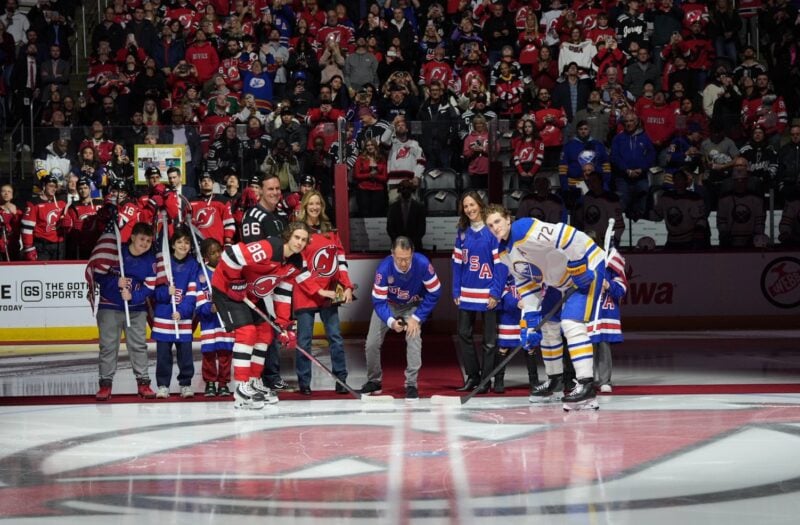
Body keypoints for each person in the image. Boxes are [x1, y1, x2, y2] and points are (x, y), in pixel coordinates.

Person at [485, 204, 604, 411]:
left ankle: (586, 385)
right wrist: (530, 322)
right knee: (546, 325)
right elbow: (527, 285)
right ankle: (555, 380)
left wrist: (579, 264)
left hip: (588, 265)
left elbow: (570, 235)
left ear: (507, 219)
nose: (495, 227)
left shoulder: (524, 229)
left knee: (571, 323)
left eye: (497, 221)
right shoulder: (504, 253)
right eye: (490, 225)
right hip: (560, 283)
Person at [210, 222, 311, 409]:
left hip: (251, 295)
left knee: (265, 332)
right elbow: (231, 255)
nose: (299, 242)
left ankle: (254, 381)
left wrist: (283, 323)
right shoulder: (270, 247)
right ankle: (241, 386)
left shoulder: (296, 263)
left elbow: (282, 292)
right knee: (247, 332)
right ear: (288, 236)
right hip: (226, 289)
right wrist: (234, 281)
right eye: (297, 237)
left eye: (303, 240)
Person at [361, 236, 441, 400]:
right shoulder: (384, 269)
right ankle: (374, 381)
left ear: (412, 254)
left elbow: (435, 292)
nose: (403, 264)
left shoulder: (423, 264)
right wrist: (391, 321)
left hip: (412, 305)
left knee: (414, 336)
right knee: (371, 343)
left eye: (407, 259)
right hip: (387, 305)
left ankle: (411, 384)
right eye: (399, 259)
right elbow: (378, 300)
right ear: (392, 254)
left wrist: (417, 317)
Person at [293, 190, 354, 395]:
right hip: (306, 293)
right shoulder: (299, 231)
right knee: (304, 341)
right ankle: (304, 382)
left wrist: (347, 286)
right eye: (311, 203)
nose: (315, 207)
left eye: (318, 203)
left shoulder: (331, 230)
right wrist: (318, 291)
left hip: (330, 292)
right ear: (304, 206)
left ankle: (341, 379)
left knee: (335, 337)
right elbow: (298, 270)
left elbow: (340, 262)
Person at [89, 222, 159, 401]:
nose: (145, 243)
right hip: (109, 307)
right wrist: (115, 284)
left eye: (149, 241)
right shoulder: (115, 252)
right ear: (133, 237)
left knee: (138, 346)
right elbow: (98, 275)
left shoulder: (150, 260)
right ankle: (105, 384)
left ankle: (143, 383)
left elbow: (149, 287)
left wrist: (134, 296)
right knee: (108, 347)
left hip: (136, 310)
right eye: (142, 239)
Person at [451, 192, 507, 394]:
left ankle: (486, 380)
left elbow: (501, 266)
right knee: (463, 335)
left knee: (489, 341)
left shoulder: (492, 232)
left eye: (472, 205)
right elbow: (457, 263)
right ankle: (473, 376)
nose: (470, 209)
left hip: (487, 294)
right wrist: (455, 289)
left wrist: (495, 293)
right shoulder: (462, 231)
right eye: (466, 206)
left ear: (480, 205)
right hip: (466, 293)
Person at [241, 173, 290, 391]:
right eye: (270, 189)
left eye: (277, 189)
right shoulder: (253, 215)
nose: (275, 193)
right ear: (260, 191)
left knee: (275, 326)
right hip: (259, 282)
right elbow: (253, 253)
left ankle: (267, 375)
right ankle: (263, 377)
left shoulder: (280, 215)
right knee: (265, 329)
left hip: (278, 279)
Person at [153, 227, 199, 399]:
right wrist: (166, 292)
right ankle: (163, 385)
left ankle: (185, 384)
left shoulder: (193, 265)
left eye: (187, 242)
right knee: (163, 356)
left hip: (183, 319)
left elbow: (192, 294)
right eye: (179, 242)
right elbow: (155, 293)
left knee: (185, 355)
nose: (183, 245)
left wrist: (182, 311)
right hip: (164, 317)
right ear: (172, 245)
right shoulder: (163, 264)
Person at [196, 238, 234, 397]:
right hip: (209, 322)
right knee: (209, 353)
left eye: (219, 250)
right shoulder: (202, 274)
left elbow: (234, 294)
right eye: (213, 253)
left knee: (226, 352)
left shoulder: (229, 270)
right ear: (205, 255)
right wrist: (208, 308)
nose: (218, 255)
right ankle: (210, 382)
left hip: (225, 320)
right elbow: (199, 299)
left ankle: (223, 382)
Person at [589, 244, 627, 393]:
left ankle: (605, 380)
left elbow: (621, 290)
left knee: (604, 347)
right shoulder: (584, 262)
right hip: (589, 313)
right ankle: (588, 380)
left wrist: (608, 284)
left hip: (605, 313)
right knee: (587, 348)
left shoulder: (611, 265)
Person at [21, 174, 66, 261]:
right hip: (42, 246)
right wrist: (28, 247)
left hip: (58, 246)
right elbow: (27, 227)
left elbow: (67, 223)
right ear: (44, 186)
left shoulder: (61, 203)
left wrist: (68, 223)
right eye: (51, 186)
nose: (54, 189)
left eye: (55, 187)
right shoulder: (34, 203)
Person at [386, 179, 426, 252]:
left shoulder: (419, 207)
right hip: (397, 246)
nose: (405, 191)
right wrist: (399, 242)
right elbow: (390, 228)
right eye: (403, 188)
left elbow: (421, 229)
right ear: (399, 190)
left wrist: (411, 243)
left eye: (408, 188)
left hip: (415, 246)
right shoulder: (393, 207)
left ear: (412, 190)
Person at [0, 184, 22, 261]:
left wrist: (15, 214)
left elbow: (19, 228)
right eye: (3, 191)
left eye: (9, 192)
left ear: (12, 196)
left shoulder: (18, 212)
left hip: (13, 246)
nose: (6, 193)